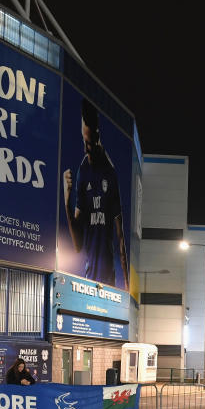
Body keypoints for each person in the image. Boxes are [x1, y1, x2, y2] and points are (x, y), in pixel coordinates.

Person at [63, 98, 129, 289]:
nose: (86, 149)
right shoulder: (83, 170)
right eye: (84, 142)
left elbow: (120, 236)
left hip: (108, 279)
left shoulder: (110, 172)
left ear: (98, 137)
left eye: (90, 144)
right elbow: (77, 245)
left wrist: (126, 283)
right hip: (88, 277)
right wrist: (67, 204)